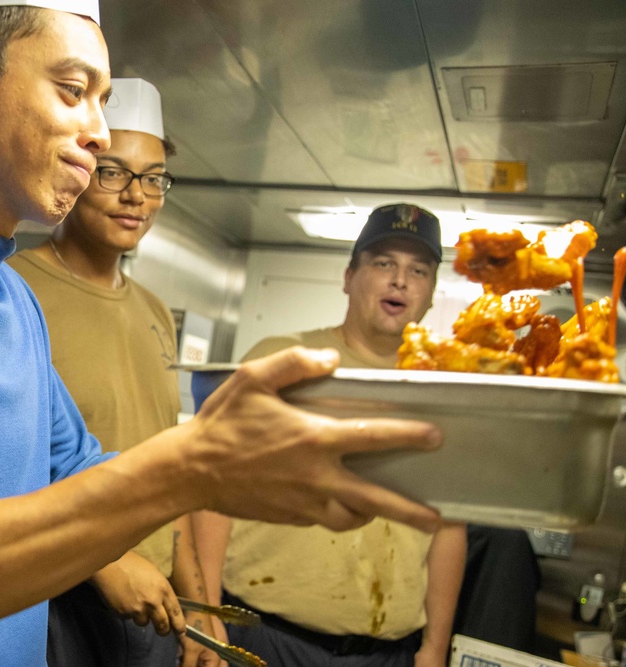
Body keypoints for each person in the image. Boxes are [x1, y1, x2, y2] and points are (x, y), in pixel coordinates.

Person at [0, 3, 445, 665]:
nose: (98, 132)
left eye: (102, 101)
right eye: (73, 90)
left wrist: (249, 466)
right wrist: (188, 467)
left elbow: (82, 472)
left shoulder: (12, 302)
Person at [195, 203, 468, 667]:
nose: (400, 280)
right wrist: (205, 611)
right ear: (349, 277)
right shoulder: (282, 360)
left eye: (418, 270)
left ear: (431, 290)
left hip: (388, 654)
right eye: (383, 264)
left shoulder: (450, 390)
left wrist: (435, 646)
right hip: (266, 636)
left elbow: (449, 524)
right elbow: (212, 486)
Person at [10, 78, 217, 666]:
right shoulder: (15, 288)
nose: (137, 197)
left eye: (153, 179)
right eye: (114, 172)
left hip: (152, 605)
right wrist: (103, 559)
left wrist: (198, 609)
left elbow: (166, 475)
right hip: (51, 597)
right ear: (76, 166)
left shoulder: (156, 312)